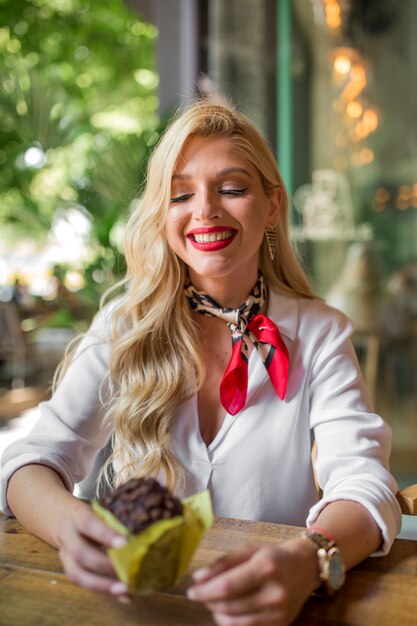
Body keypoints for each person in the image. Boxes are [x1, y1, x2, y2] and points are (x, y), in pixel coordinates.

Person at [0, 100, 401, 626]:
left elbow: (364, 482)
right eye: (181, 194)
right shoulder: (125, 326)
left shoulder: (322, 333)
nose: (205, 211)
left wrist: (309, 560)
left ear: (273, 204)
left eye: (232, 188)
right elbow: (30, 460)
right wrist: (69, 523)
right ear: (162, 214)